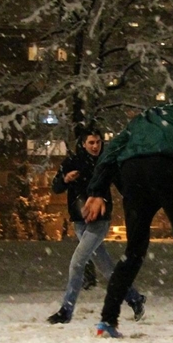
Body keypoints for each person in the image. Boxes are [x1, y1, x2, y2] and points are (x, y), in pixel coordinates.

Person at [82, 86, 173, 342]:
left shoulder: (144, 117)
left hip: (133, 174)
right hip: (172, 170)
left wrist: (96, 190)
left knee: (133, 252)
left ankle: (106, 321)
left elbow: (111, 152)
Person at [46, 129, 146, 324]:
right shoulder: (72, 162)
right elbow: (56, 186)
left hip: (99, 221)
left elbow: (123, 186)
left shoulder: (107, 162)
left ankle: (66, 311)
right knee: (107, 269)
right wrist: (66, 179)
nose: (95, 146)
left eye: (98, 142)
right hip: (79, 222)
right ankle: (135, 299)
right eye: (91, 142)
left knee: (77, 263)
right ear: (83, 143)